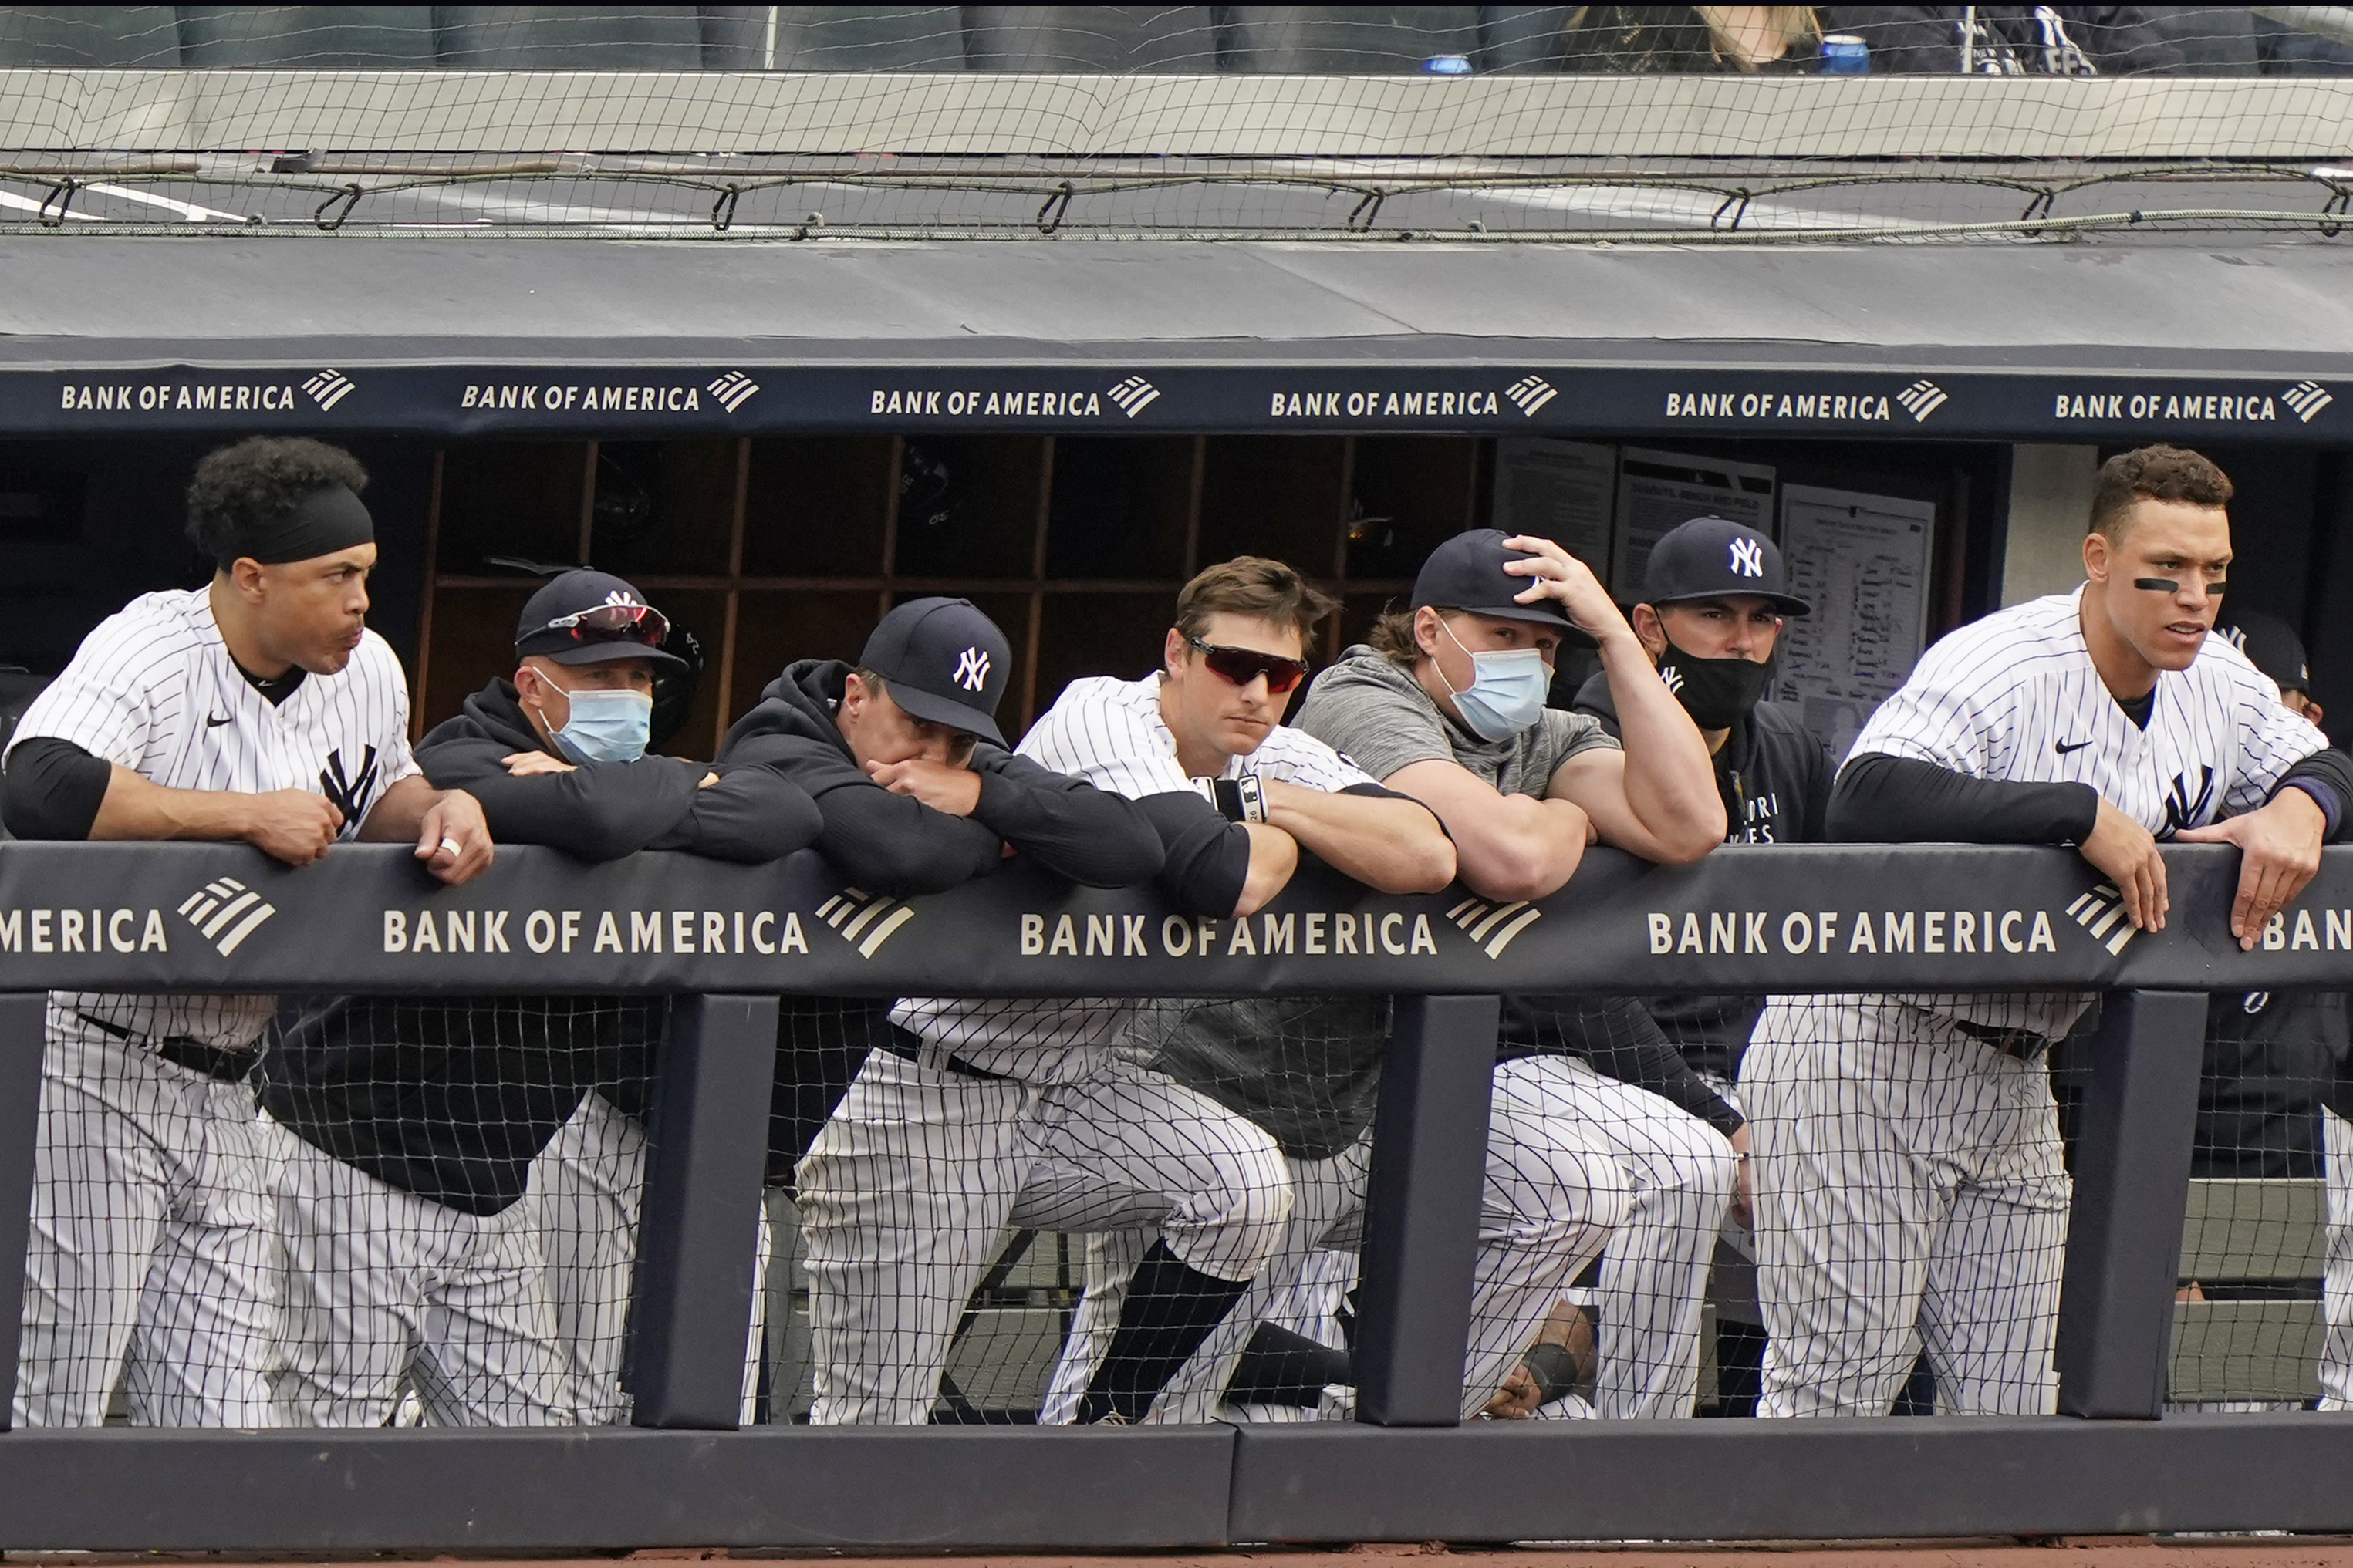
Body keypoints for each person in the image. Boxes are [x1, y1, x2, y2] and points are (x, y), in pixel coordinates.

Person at [1747, 443, 2353, 1418]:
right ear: (2097, 557)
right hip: (1865, 1044)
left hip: (2017, 1065)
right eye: (2164, 571)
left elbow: (2328, 767)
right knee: (1841, 1376)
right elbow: (1866, 794)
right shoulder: (2005, 660)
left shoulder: (2221, 680)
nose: (2191, 598)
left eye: (2213, 572)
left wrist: (2302, 808)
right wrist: (2071, 810)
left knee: (2014, 1400)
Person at [0, 435, 492, 1428]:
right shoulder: (152, 646)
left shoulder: (366, 668)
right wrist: (236, 813)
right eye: (337, 577)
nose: (361, 600)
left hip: (234, 1081)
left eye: (367, 575)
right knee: (56, 1394)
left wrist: (443, 806)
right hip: (92, 1061)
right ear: (252, 578)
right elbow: (39, 781)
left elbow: (382, 785)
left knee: (222, 1421)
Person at [258, 568, 820, 1428]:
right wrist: (680, 784)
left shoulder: (609, 771)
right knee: (316, 1453)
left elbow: (785, 809)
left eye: (641, 678)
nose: (630, 695)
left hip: (493, 1195)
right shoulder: (451, 758)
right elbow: (595, 823)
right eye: (603, 678)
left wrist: (639, 786)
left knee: (531, 1459)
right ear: (533, 683)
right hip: (349, 1168)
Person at [1266, 527, 1725, 1420]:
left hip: (1414, 1065)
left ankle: (1445, 1428)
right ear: (1429, 630)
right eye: (1505, 634)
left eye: (1549, 644)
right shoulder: (1362, 694)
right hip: (1276, 1070)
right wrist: (1565, 820)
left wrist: (1616, 636)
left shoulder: (1545, 733)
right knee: (1179, 1365)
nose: (1531, 659)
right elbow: (1512, 857)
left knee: (1637, 1175)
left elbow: (1689, 823)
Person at [1011, 556, 1457, 1425]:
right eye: (1232, 665)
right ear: (1176, 652)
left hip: (1081, 1075)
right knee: (881, 1391)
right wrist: (1278, 833)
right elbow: (1224, 877)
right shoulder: (1101, 713)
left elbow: (1427, 854)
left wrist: (1254, 793)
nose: (1257, 692)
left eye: (1281, 674)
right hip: (935, 1074)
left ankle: (1102, 1426)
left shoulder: (1267, 752)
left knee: (1242, 1185)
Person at [717, 595, 1180, 1425]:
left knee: (837, 1416)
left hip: (780, 1123)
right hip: (658, 1127)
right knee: (622, 1402)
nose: (930, 754)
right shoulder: (781, 737)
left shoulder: (963, 766)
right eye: (915, 725)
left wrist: (976, 793)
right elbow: (902, 850)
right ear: (856, 695)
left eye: (957, 739)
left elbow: (1130, 844)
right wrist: (998, 834)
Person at [1482, 515, 1831, 1421]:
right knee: (1680, 1176)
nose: (1741, 641)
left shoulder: (1785, 746)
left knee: (1853, 1241)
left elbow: (1830, 933)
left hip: (1751, 1077)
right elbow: (1565, 983)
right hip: (1586, 1072)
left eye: (1762, 618)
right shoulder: (1575, 738)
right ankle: (1631, 1445)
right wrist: (1721, 1121)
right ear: (1646, 626)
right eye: (1714, 614)